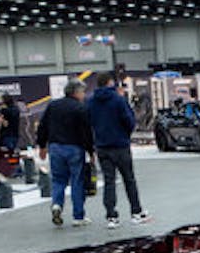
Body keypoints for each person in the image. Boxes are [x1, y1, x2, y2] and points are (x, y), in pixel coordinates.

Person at [87, 71, 149, 230]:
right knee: (129, 179)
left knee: (109, 182)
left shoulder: (91, 101)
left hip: (102, 146)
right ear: (109, 82)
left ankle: (111, 217)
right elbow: (129, 121)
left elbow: (88, 122)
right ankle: (136, 213)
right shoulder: (118, 100)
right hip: (120, 145)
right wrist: (125, 134)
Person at [37, 79, 95, 226]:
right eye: (82, 92)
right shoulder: (80, 108)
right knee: (77, 181)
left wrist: (42, 146)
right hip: (74, 148)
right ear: (76, 92)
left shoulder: (53, 105)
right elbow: (86, 131)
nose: (83, 95)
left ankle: (57, 204)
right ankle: (78, 216)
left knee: (58, 180)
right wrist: (91, 150)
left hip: (55, 147)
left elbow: (43, 126)